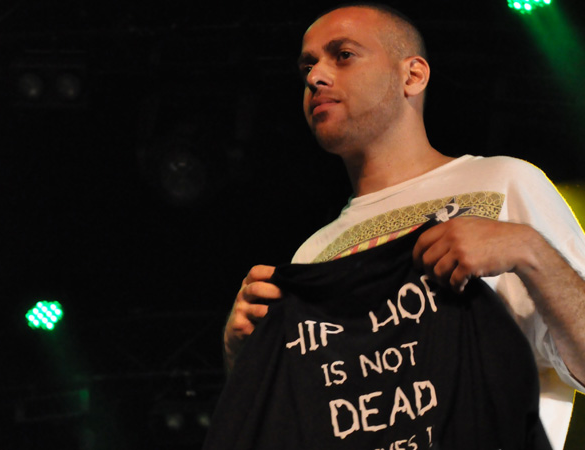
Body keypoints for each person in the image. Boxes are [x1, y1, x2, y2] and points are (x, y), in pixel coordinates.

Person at [223, 3, 585, 448]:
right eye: (307, 66)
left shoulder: (504, 182)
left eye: (343, 55)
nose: (315, 76)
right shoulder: (313, 255)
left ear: (412, 76)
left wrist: (530, 249)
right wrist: (241, 355)